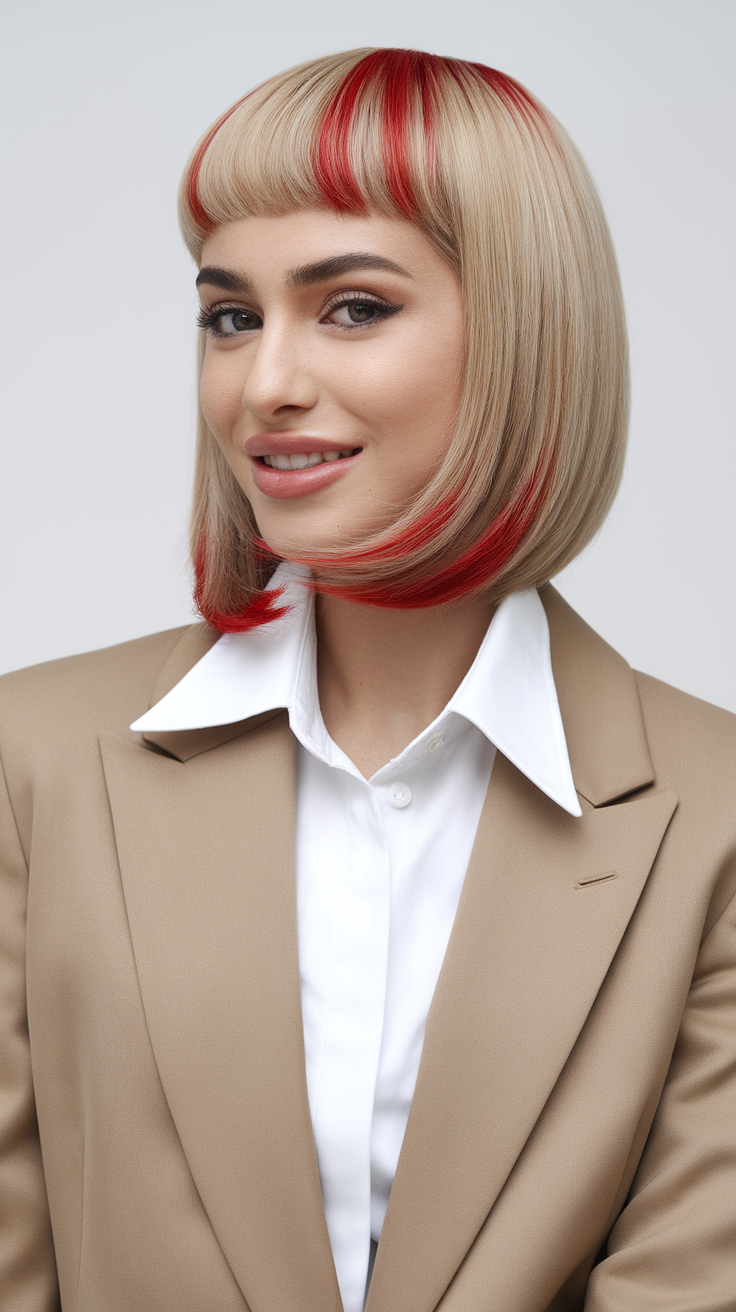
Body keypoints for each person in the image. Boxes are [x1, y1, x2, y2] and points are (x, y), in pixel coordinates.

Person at [1, 46, 735, 1312]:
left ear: (522, 337)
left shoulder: (714, 811)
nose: (264, 386)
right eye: (231, 315)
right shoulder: (30, 762)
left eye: (351, 306)